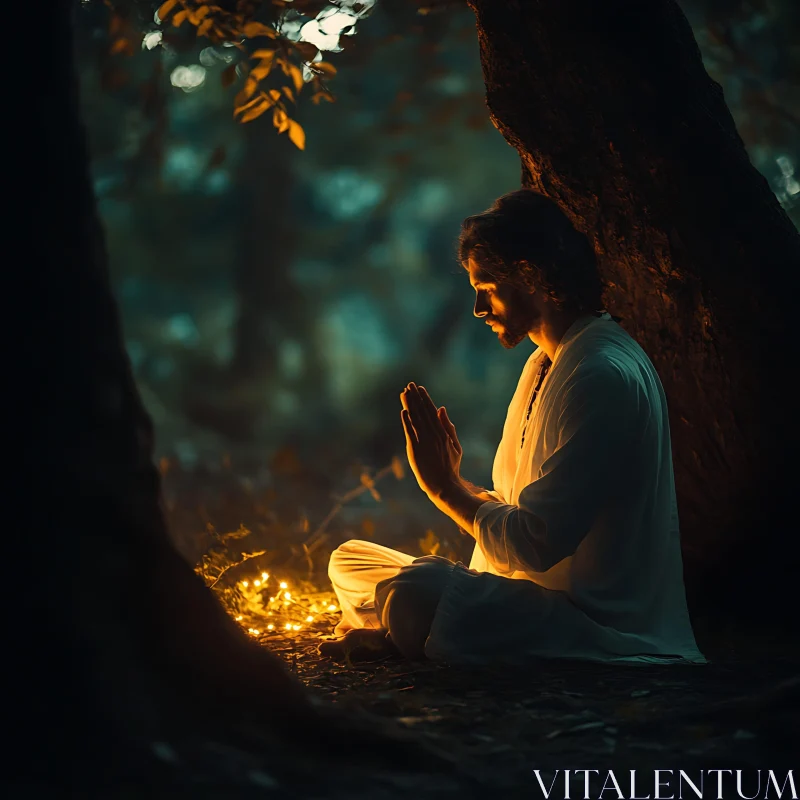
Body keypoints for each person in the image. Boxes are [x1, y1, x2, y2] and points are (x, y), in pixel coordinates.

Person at [320, 189, 706, 666]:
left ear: (531, 274)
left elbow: (536, 544)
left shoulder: (600, 373)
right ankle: (396, 629)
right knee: (350, 558)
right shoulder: (546, 362)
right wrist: (461, 485)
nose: (480, 309)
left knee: (416, 591)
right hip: (523, 599)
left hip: (590, 620)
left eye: (487, 288)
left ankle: (393, 629)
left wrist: (444, 490)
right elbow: (520, 511)